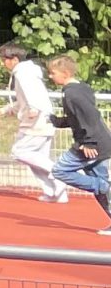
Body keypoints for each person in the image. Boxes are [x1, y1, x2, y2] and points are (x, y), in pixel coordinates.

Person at [45, 54, 111, 233]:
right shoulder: (82, 88)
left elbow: (90, 116)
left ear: (65, 73)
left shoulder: (71, 93)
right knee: (100, 184)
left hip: (92, 144)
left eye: (53, 73)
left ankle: (102, 186)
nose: (50, 76)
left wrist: (89, 142)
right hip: (100, 141)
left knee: (60, 170)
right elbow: (78, 117)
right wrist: (58, 121)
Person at [0, 44, 66, 202]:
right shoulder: (26, 72)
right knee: (37, 159)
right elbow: (25, 98)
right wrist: (9, 109)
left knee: (19, 152)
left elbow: (33, 94)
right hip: (41, 119)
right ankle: (56, 193)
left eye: (4, 59)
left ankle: (59, 175)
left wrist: (34, 109)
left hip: (37, 121)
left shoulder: (23, 73)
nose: (2, 63)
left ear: (14, 59)